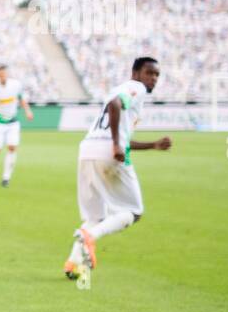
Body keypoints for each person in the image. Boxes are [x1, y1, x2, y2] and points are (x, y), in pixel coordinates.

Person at [64, 57, 172, 279]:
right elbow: (115, 104)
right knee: (134, 211)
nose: (153, 79)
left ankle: (73, 262)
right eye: (149, 73)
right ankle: (90, 237)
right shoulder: (136, 88)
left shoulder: (121, 89)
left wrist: (153, 145)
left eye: (157, 75)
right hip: (107, 152)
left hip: (87, 151)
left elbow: (121, 132)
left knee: (96, 215)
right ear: (136, 73)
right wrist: (115, 145)